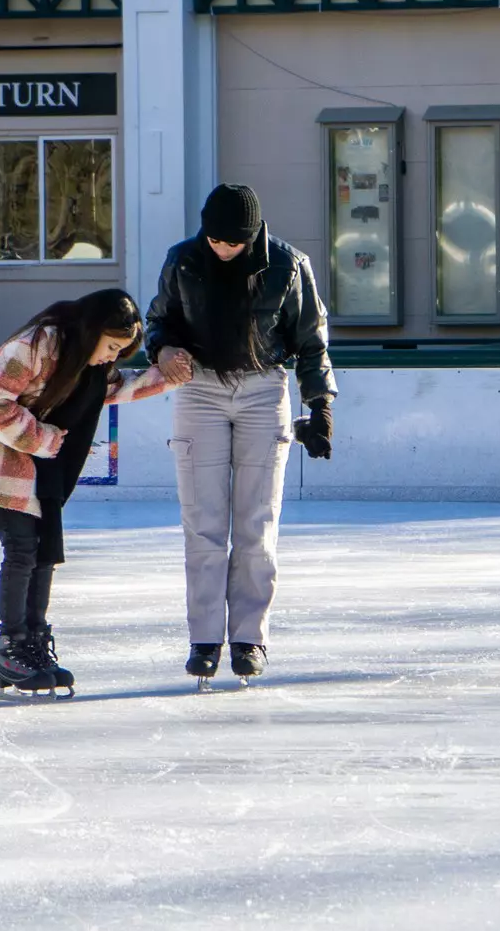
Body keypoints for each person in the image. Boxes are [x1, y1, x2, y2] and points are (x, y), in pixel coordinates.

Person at [146, 183, 335, 683]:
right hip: (199, 390)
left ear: (252, 237)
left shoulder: (288, 265)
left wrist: (320, 408)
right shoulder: (183, 260)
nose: (223, 249)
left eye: (233, 242)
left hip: (262, 388)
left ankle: (249, 638)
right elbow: (157, 322)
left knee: (257, 522)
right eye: (215, 240)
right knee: (203, 522)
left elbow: (312, 340)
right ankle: (204, 638)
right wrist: (162, 351)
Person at [0, 289, 179, 695]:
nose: (112, 356)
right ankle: (11, 646)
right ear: (92, 331)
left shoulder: (87, 362)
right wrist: (42, 438)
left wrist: (167, 377)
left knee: (44, 552)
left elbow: (112, 389)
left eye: (120, 350)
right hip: (3, 461)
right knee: (22, 549)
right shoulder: (35, 346)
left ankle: (34, 642)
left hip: (46, 469)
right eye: (110, 346)